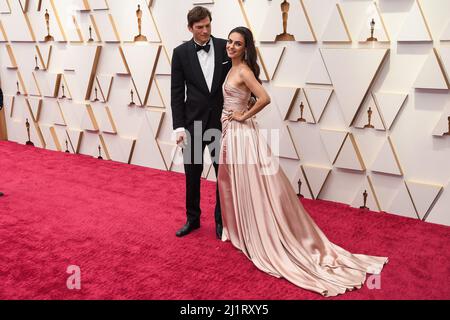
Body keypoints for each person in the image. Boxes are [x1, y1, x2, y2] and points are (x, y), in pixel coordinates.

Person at [218, 26, 388, 297]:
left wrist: (242, 116)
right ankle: (244, 228)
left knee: (255, 183)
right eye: (229, 42)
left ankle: (265, 233)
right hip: (232, 132)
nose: (231, 46)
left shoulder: (243, 71)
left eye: (237, 44)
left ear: (246, 48)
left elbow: (264, 98)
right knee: (240, 182)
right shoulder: (232, 67)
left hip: (241, 134)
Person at [171, 6, 231, 238]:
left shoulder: (225, 46)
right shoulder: (180, 53)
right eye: (200, 27)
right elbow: (177, 92)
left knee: (222, 174)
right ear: (190, 28)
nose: (205, 31)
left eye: (208, 25)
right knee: (192, 174)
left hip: (220, 122)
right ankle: (193, 219)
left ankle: (220, 221)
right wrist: (178, 127)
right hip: (192, 123)